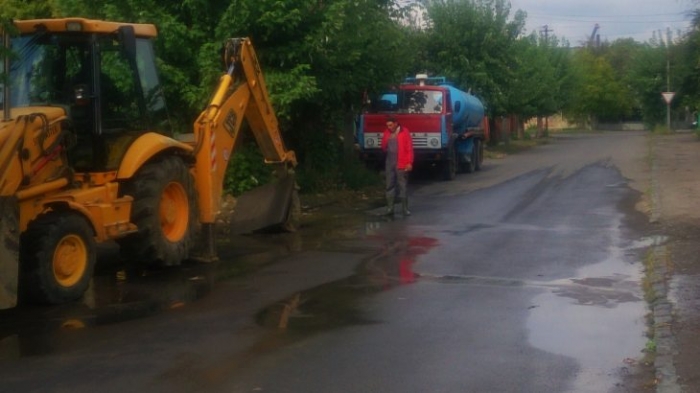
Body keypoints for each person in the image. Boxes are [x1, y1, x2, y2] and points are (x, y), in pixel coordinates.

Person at [381, 116, 414, 216]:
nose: (389, 127)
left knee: (402, 185)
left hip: (402, 162)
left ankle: (405, 209)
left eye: (390, 125)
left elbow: (409, 148)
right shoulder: (386, 132)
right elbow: (383, 147)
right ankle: (390, 209)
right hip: (390, 162)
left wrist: (409, 162)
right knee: (389, 185)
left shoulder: (404, 132)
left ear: (396, 123)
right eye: (387, 125)